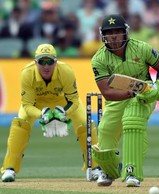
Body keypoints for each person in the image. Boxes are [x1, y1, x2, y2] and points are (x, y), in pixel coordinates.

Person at [1, 43, 100, 182]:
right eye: (42, 62)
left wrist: (62, 113)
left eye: (50, 62)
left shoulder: (66, 71)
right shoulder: (27, 73)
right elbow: (27, 105)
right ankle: (9, 169)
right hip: (37, 104)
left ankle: (95, 167)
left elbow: (74, 101)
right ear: (36, 62)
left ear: (56, 62)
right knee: (20, 124)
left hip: (64, 103)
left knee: (86, 125)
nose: (46, 67)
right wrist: (43, 114)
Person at [90, 14, 159, 187]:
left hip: (144, 94)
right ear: (103, 35)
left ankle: (132, 172)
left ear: (125, 33)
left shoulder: (142, 48)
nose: (113, 36)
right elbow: (107, 92)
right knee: (105, 130)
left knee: (132, 120)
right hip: (119, 97)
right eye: (109, 32)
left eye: (117, 32)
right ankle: (109, 171)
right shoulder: (99, 59)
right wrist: (131, 92)